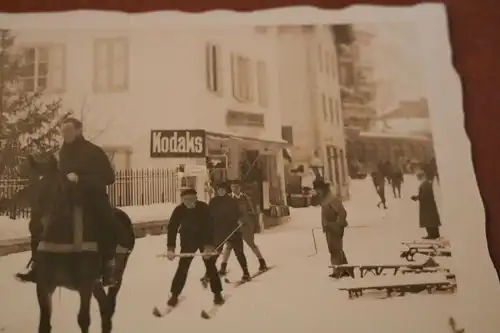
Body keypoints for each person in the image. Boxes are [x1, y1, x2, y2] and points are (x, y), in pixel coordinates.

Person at [16, 117, 118, 286]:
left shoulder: (94, 152)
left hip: (90, 197)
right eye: (62, 131)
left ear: (79, 130)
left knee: (107, 222)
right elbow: (49, 170)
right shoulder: (60, 153)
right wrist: (33, 164)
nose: (65, 134)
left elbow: (109, 177)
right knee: (38, 220)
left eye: (68, 130)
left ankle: (107, 267)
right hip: (65, 197)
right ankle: (36, 264)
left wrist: (81, 179)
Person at [165, 188, 224, 307]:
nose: (189, 202)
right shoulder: (179, 210)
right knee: (182, 268)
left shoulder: (204, 208)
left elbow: (211, 226)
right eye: (186, 200)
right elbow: (172, 228)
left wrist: (209, 246)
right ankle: (174, 295)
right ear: (182, 200)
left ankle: (217, 294)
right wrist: (171, 248)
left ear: (196, 198)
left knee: (210, 266)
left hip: (204, 240)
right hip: (188, 241)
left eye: (191, 199)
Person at [202, 182, 250, 282]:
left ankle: (246, 273)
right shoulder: (213, 201)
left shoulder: (232, 201)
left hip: (233, 229)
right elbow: (208, 216)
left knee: (239, 252)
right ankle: (208, 273)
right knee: (215, 252)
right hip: (219, 231)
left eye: (223, 190)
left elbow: (241, 214)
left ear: (226, 190)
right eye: (219, 190)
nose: (221, 192)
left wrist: (241, 219)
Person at [219, 180, 268, 275]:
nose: (235, 189)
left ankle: (262, 261)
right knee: (229, 246)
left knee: (251, 244)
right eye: (233, 187)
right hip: (232, 226)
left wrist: (245, 220)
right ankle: (223, 267)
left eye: (236, 187)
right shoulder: (227, 198)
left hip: (245, 225)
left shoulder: (245, 198)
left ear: (240, 188)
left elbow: (251, 211)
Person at [313, 179, 348, 278]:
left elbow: (342, 212)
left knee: (335, 249)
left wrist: (337, 224)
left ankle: (338, 270)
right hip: (330, 228)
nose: (317, 192)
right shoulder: (325, 199)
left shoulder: (331, 199)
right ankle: (345, 268)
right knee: (335, 249)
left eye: (318, 190)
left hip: (334, 228)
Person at [411, 170, 441, 239]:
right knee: (432, 219)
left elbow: (424, 195)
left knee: (428, 220)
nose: (418, 178)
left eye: (418, 177)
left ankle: (431, 234)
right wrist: (417, 197)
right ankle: (435, 233)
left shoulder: (424, 184)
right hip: (430, 204)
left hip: (426, 205)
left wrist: (417, 197)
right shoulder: (427, 183)